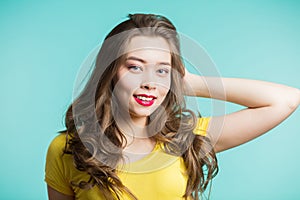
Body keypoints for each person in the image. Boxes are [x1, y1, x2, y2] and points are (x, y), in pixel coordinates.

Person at [44, 13, 300, 200]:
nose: (149, 82)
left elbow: (285, 100)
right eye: (135, 66)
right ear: (110, 72)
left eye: (161, 70)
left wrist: (193, 83)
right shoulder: (67, 149)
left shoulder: (187, 138)